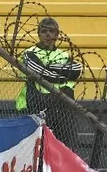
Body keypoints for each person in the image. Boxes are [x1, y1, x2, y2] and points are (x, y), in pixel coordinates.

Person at [15, 17, 82, 150]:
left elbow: (75, 71)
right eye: (44, 31)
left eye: (51, 31)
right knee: (36, 149)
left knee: (64, 149)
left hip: (60, 107)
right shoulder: (29, 53)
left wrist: (45, 70)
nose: (48, 35)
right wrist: (61, 73)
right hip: (35, 105)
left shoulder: (63, 55)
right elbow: (36, 71)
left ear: (57, 35)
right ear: (38, 34)